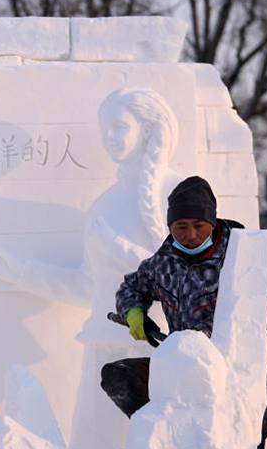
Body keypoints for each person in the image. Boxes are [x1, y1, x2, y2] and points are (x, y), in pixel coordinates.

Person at [0, 87, 182, 449]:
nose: (109, 138)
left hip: (158, 351)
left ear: (147, 129)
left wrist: (118, 249)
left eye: (119, 127)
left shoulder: (177, 193)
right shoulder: (104, 206)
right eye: (105, 130)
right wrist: (21, 272)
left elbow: (183, 275)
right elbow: (88, 287)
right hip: (103, 347)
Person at [101, 175, 244, 418]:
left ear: (213, 221)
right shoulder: (164, 262)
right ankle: (163, 432)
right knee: (118, 376)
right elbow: (131, 286)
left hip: (230, 373)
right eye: (181, 227)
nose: (190, 235)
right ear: (170, 227)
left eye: (199, 226)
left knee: (246, 429)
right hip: (179, 366)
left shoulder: (240, 255)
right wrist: (134, 313)